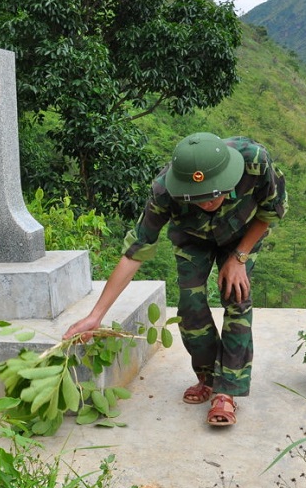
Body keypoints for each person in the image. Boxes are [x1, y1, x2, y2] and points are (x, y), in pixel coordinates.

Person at [64, 132, 288, 427]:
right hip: (192, 239)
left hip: (241, 234)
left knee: (237, 297)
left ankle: (226, 392)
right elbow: (135, 252)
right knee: (190, 306)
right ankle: (208, 378)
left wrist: (239, 258)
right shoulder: (164, 190)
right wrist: (96, 315)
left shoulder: (254, 162)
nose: (208, 203)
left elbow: (271, 211)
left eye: (214, 194)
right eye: (198, 198)